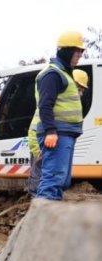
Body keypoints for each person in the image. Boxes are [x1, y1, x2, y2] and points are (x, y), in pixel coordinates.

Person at [33, 31, 86, 200]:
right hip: (57, 134)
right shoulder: (52, 74)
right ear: (66, 51)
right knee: (53, 180)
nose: (79, 55)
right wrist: (50, 131)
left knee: (61, 180)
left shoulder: (64, 74)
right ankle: (42, 223)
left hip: (64, 133)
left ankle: (48, 221)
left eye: (81, 51)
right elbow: (45, 104)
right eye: (77, 51)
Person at [27, 67, 88, 196]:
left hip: (47, 147)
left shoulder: (63, 106)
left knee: (54, 181)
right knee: (42, 182)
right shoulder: (51, 107)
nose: (80, 93)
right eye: (79, 89)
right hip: (41, 148)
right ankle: (39, 209)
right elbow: (33, 130)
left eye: (82, 90)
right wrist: (38, 151)